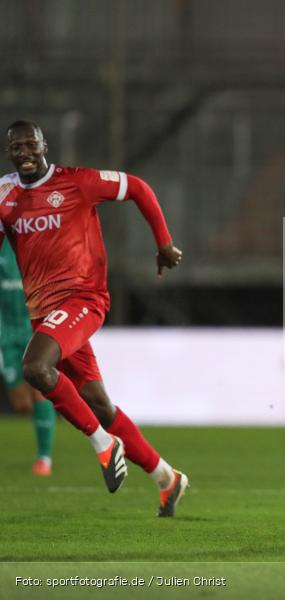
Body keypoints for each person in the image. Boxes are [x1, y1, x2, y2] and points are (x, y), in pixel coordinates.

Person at [1, 120, 188, 517]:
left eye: (30, 145)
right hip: (44, 315)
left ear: (44, 145)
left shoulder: (78, 183)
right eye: (16, 148)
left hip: (84, 298)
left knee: (36, 368)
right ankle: (166, 478)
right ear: (9, 152)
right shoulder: (4, 195)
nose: (24, 154)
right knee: (99, 404)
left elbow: (137, 187)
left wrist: (164, 242)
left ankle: (104, 444)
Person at [0, 239, 56, 475]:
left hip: (33, 329)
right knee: (21, 403)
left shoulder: (34, 244)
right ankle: (45, 415)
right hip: (6, 334)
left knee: (39, 390)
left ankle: (44, 457)